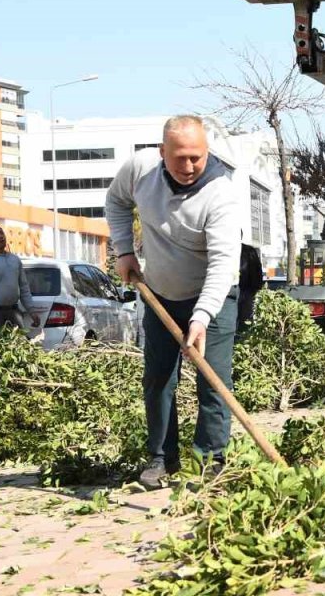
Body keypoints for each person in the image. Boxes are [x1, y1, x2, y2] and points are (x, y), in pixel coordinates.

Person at [105, 115, 243, 489]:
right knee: (158, 378)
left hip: (212, 296)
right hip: (160, 295)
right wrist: (124, 251)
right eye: (180, 157)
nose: (190, 166)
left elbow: (222, 264)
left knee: (213, 379)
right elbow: (116, 201)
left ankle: (210, 460)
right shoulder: (140, 170)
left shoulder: (221, 194)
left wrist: (201, 317)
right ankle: (161, 459)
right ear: (161, 152)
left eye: (197, 157)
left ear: (207, 151)